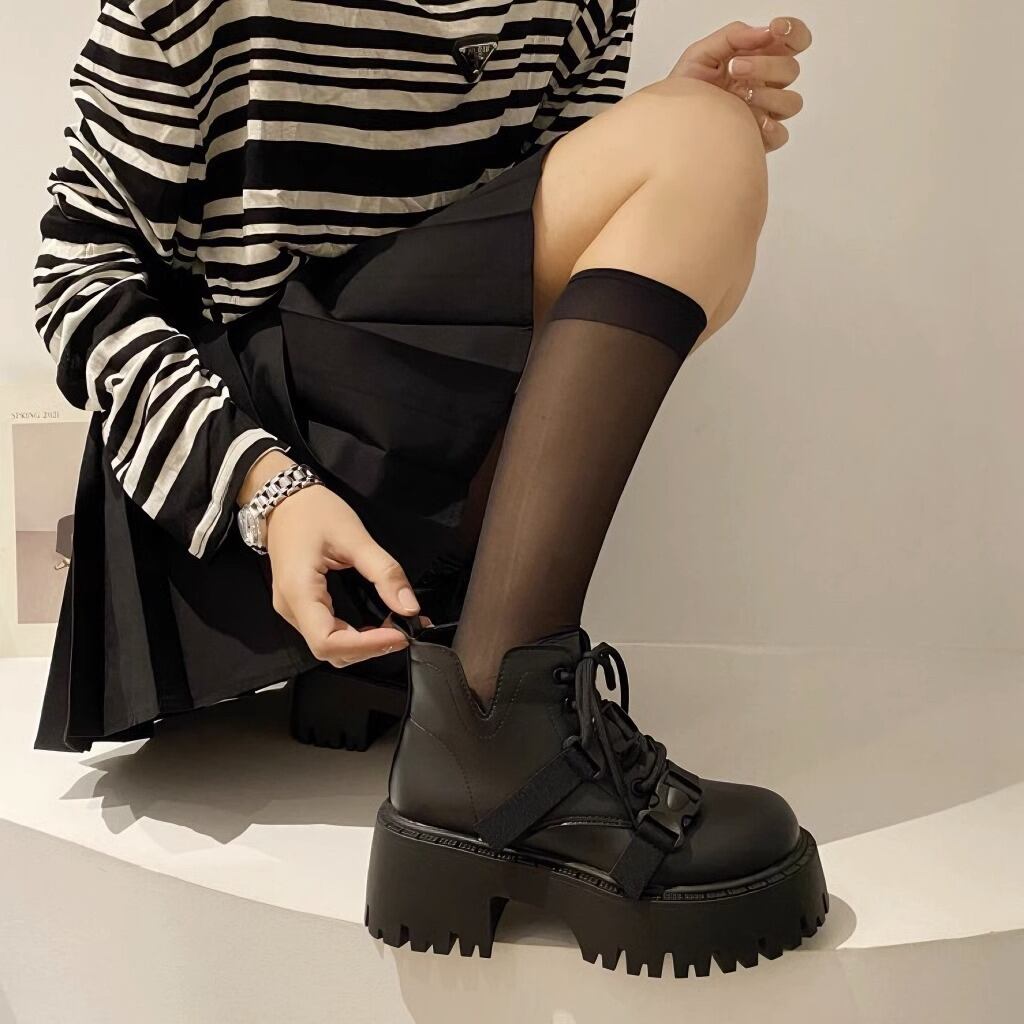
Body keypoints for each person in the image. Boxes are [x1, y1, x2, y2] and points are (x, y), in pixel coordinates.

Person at [33, 1, 825, 974]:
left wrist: (656, 136)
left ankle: (459, 676)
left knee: (701, 150)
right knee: (697, 147)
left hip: (405, 501)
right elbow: (79, 271)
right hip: (236, 505)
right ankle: (495, 741)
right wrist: (262, 487)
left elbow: (520, 263)